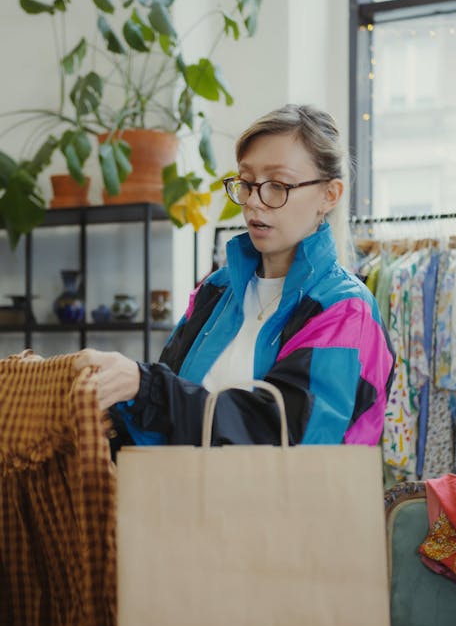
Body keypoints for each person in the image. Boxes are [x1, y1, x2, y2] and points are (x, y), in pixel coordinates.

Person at [74, 104, 395, 446]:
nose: (254, 201)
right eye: (247, 182)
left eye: (278, 185)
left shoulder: (346, 311)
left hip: (294, 501)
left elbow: (287, 436)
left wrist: (146, 386)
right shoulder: (216, 291)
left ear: (329, 195)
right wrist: (116, 399)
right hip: (190, 498)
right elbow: (168, 420)